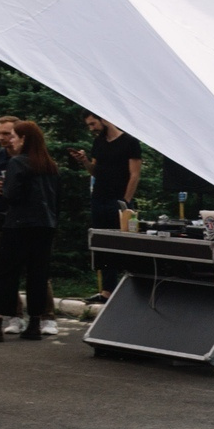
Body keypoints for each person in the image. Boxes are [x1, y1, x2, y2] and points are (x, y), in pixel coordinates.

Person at [0, 123, 60, 342]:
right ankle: (34, 324)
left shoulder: (17, 162)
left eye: (14, 136)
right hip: (45, 225)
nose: (11, 140)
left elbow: (11, 194)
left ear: (24, 138)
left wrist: (5, 186)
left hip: (18, 224)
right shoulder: (49, 165)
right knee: (37, 274)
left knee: (5, 273)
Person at [69, 114, 142, 299]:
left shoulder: (129, 142)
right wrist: (84, 161)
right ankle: (107, 291)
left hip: (118, 200)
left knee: (122, 244)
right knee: (103, 245)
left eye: (93, 123)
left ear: (104, 119)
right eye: (88, 125)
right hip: (99, 198)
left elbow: (134, 174)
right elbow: (96, 171)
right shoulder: (99, 143)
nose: (91, 128)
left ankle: (131, 289)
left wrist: (125, 202)